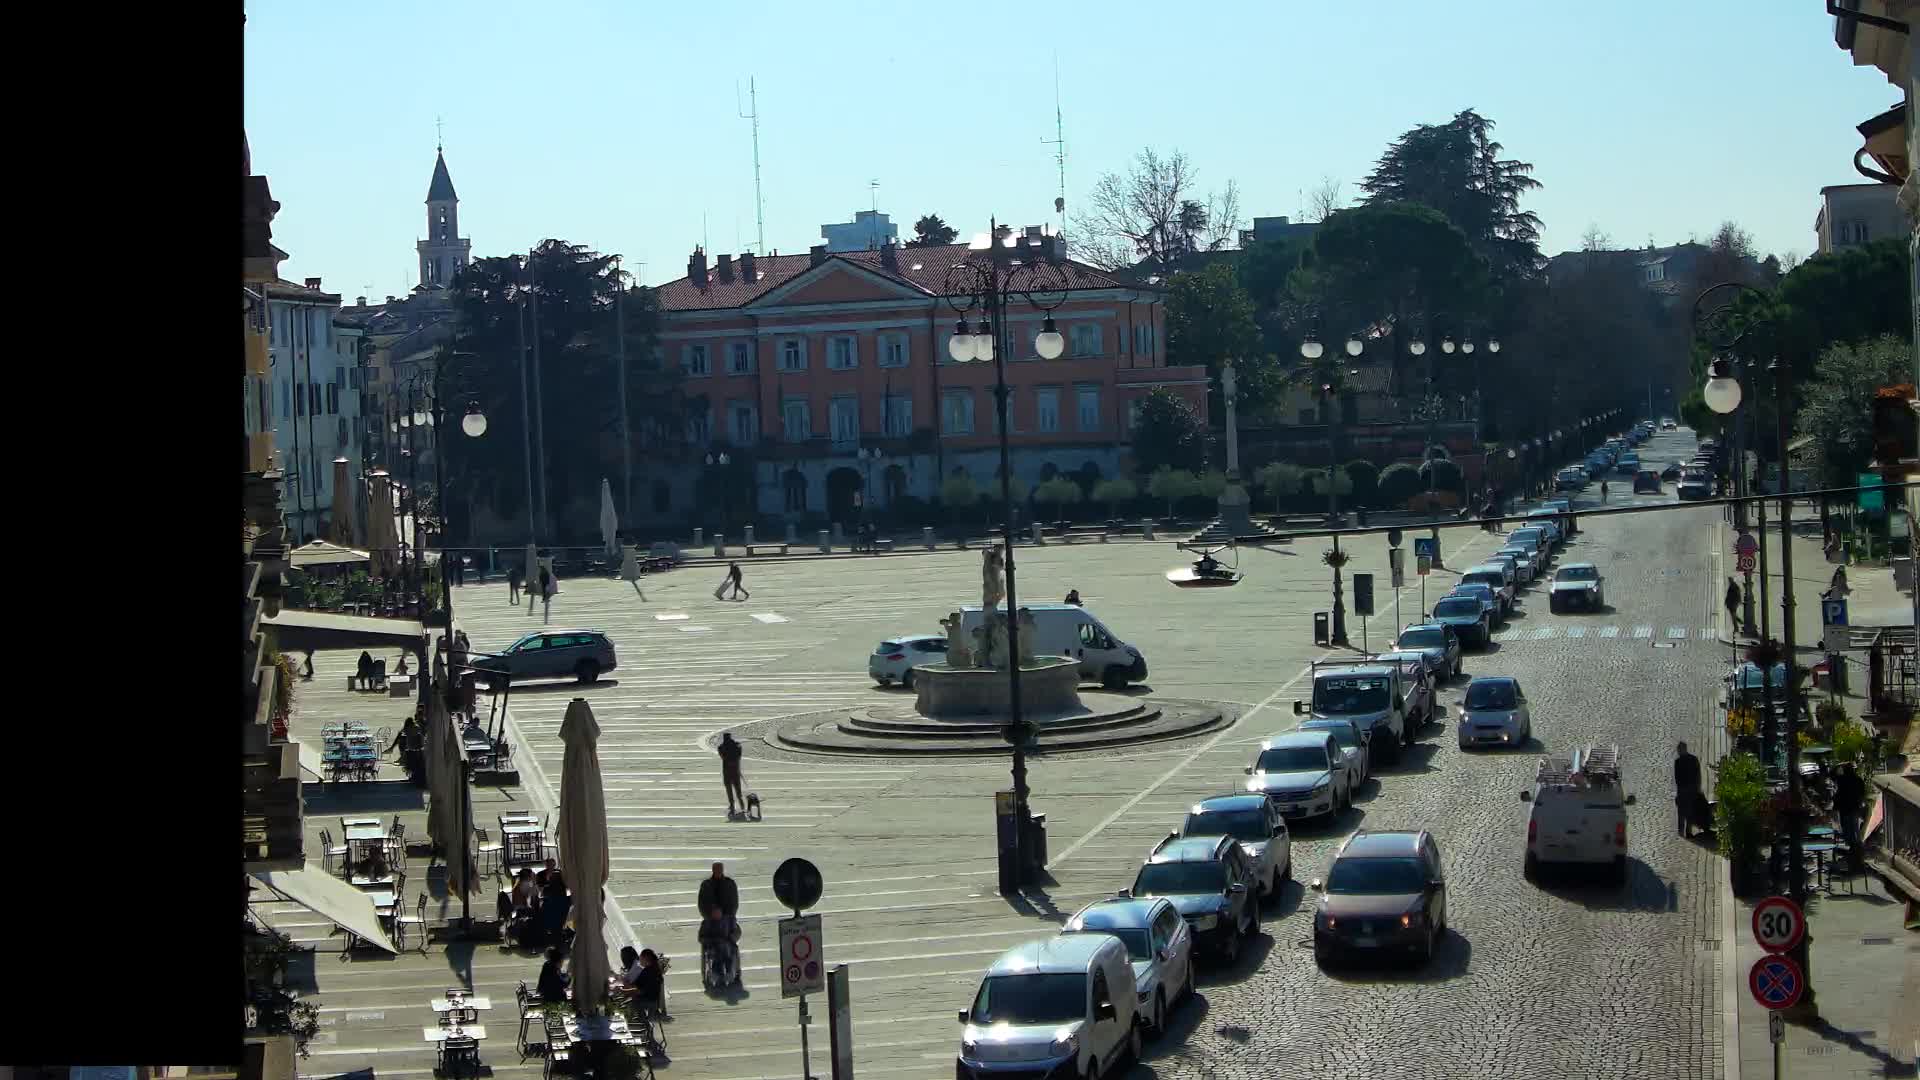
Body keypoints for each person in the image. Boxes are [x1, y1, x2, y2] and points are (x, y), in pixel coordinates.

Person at [697, 904, 741, 989]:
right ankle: (718, 971)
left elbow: (737, 932)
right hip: (712, 946)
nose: (716, 914)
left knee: (726, 949)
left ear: (721, 912)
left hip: (727, 944)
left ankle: (728, 971)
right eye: (714, 913)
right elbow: (701, 938)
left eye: (718, 912)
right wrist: (710, 941)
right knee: (718, 951)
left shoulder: (729, 921)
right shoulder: (707, 923)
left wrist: (731, 938)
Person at [1832, 762, 1866, 869]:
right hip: (1853, 808)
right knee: (1853, 830)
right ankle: (1855, 854)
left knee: (1849, 831)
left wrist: (1838, 765)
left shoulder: (1842, 779)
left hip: (1846, 808)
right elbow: (1862, 794)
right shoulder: (1858, 780)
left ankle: (1854, 854)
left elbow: (1832, 773)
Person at [1674, 741, 1703, 838]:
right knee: (1690, 810)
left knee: (1682, 811)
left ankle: (1681, 831)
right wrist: (1698, 787)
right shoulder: (1694, 759)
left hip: (1683, 789)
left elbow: (1677, 778)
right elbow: (1698, 775)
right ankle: (1688, 831)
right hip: (1692, 789)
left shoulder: (1678, 762)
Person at [717, 733, 746, 815]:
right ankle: (742, 805)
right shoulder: (737, 746)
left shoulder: (721, 747)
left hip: (727, 771)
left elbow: (721, 755)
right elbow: (739, 755)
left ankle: (732, 804)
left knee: (729, 788)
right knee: (738, 788)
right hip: (735, 770)